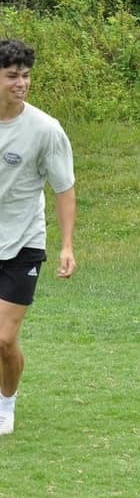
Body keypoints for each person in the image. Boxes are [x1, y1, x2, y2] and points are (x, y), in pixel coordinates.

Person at [0, 39, 77, 436]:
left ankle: (5, 404)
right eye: (12, 76)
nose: (21, 83)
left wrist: (66, 245)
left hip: (23, 242)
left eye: (26, 76)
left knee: (3, 339)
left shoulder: (45, 130)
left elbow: (64, 188)